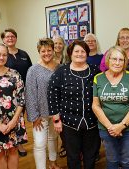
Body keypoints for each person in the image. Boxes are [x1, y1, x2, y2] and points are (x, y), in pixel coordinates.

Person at [48, 40, 100, 169]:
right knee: (73, 156)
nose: (80, 54)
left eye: (83, 51)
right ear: (70, 53)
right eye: (76, 51)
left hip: (92, 121)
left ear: (87, 54)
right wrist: (56, 120)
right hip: (68, 122)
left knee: (91, 155)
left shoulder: (95, 71)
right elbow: (52, 95)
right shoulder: (61, 72)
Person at [92, 46, 129, 169]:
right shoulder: (98, 78)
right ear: (108, 60)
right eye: (114, 59)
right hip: (107, 128)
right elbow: (95, 105)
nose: (117, 63)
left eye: (121, 60)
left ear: (125, 62)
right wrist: (110, 127)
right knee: (112, 161)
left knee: (127, 161)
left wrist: (121, 126)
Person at [26, 38, 61, 169]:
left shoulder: (60, 67)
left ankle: (53, 163)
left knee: (53, 139)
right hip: (40, 114)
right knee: (40, 143)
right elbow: (30, 94)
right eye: (43, 51)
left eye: (49, 50)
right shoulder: (33, 70)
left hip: (56, 113)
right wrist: (34, 117)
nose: (46, 53)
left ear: (54, 50)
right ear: (39, 52)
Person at [1, 28, 31, 156]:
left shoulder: (23, 54)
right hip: (7, 94)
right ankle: (8, 143)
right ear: (3, 39)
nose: (10, 38)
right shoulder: (1, 54)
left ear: (16, 38)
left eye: (12, 36)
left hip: (23, 92)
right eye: (7, 37)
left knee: (20, 119)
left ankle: (18, 143)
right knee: (9, 118)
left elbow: (30, 72)